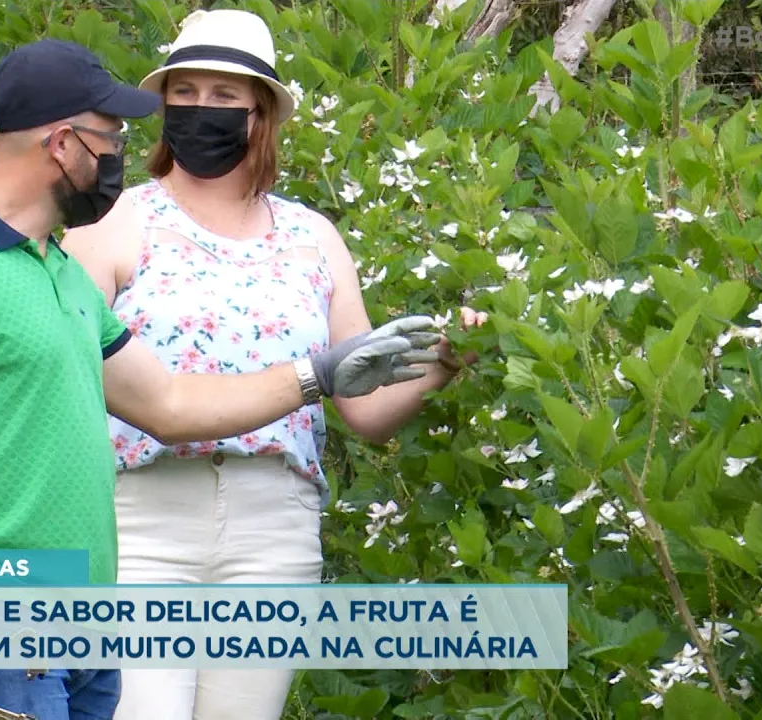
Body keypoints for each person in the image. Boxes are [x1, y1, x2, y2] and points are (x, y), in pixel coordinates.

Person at [0, 37, 444, 720]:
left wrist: (318, 374)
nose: (118, 154)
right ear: (63, 144)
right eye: (110, 138)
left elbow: (167, 403)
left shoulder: (59, 272)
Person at [60, 10, 487, 720]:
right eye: (184, 92)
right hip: (141, 521)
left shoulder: (313, 238)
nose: (201, 108)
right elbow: (67, 385)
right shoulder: (113, 224)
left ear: (260, 113)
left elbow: (365, 408)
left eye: (224, 96)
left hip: (275, 527)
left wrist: (444, 364)